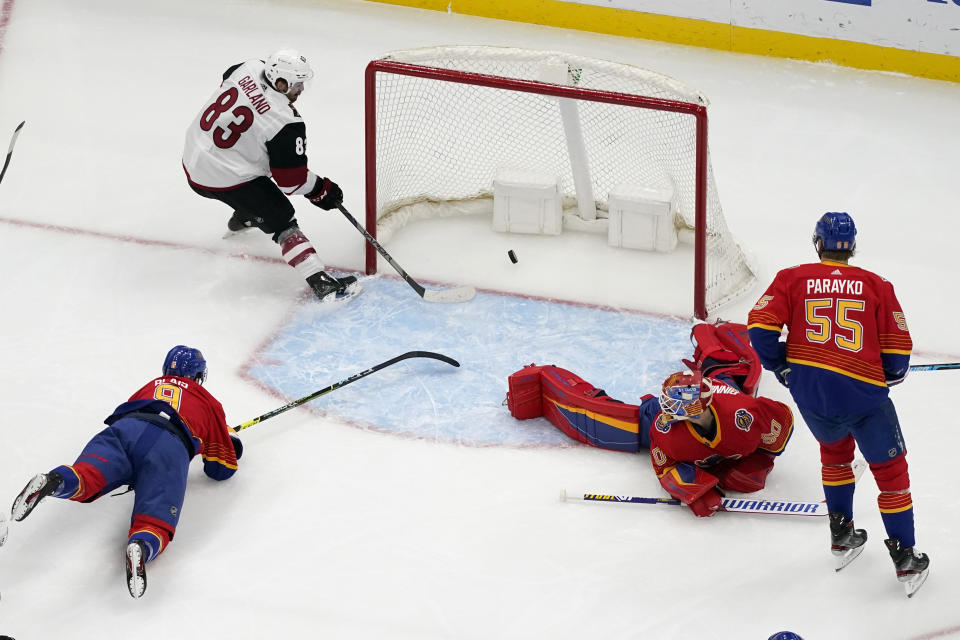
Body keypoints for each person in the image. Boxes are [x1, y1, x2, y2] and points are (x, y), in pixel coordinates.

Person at [747, 211, 929, 596]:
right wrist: (886, 376)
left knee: (834, 455)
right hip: (864, 397)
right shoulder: (877, 285)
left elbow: (760, 329)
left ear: (818, 244)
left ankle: (842, 533)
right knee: (891, 471)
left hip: (813, 396)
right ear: (852, 247)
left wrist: (785, 369)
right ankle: (905, 556)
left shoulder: (791, 278)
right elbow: (898, 352)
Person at [6, 346, 242, 599]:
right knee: (155, 518)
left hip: (126, 430)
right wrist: (229, 437)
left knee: (87, 474)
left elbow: (129, 410)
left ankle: (54, 481)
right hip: (169, 446)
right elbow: (221, 469)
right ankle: (141, 545)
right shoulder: (209, 402)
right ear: (198, 375)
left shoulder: (150, 386)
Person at [506, 321, 793, 517]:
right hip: (702, 398)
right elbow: (665, 466)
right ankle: (707, 334)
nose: (667, 412)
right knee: (613, 419)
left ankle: (708, 333)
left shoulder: (742, 413)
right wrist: (695, 490)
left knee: (727, 371)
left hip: (724, 393)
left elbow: (783, 421)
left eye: (672, 407)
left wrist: (760, 461)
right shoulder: (664, 428)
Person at [182, 49, 357, 301]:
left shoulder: (248, 66)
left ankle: (245, 216)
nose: (302, 90)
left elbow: (227, 80)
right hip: (223, 177)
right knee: (281, 216)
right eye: (297, 84)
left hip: (192, 156)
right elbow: (291, 181)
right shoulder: (285, 122)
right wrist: (321, 190)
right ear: (280, 82)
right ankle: (322, 282)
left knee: (253, 189)